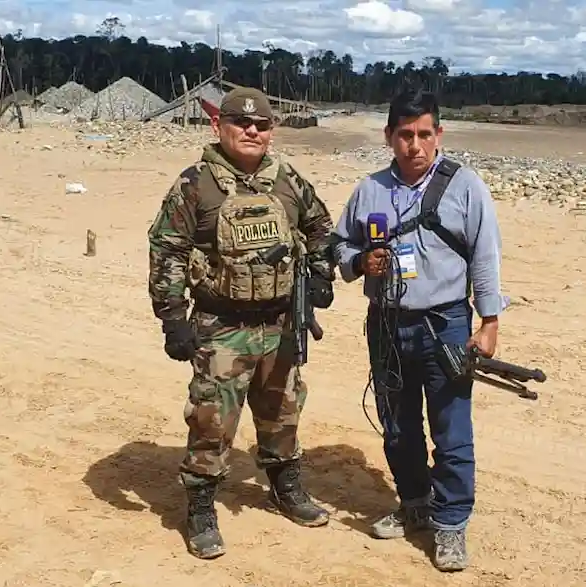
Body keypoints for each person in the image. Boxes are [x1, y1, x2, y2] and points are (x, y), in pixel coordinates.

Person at [146, 86, 337, 560]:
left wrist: (318, 278)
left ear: (272, 131)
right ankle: (201, 508)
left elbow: (320, 230)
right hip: (221, 326)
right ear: (219, 126)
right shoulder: (195, 185)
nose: (252, 130)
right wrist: (172, 317)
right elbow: (166, 249)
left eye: (262, 124)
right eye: (240, 122)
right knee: (212, 420)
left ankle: (285, 487)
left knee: (283, 413)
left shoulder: (288, 180)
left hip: (280, 323)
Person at [331, 89, 504, 572]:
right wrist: (360, 261)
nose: (415, 145)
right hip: (385, 325)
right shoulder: (368, 190)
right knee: (397, 428)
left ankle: (450, 525)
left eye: (424, 134)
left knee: (451, 432)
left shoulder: (465, 186)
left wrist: (489, 322)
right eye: (404, 135)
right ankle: (414, 504)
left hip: (446, 324)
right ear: (389, 137)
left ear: (439, 135)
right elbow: (337, 247)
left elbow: (484, 257)